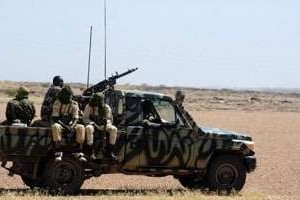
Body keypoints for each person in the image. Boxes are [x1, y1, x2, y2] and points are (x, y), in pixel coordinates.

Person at [51, 86, 86, 162]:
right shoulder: (57, 103)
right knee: (55, 127)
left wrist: (72, 127)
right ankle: (58, 151)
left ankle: (78, 151)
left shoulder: (74, 104)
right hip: (60, 123)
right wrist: (66, 127)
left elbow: (75, 118)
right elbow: (55, 118)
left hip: (71, 124)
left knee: (81, 128)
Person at [83, 92, 118, 161]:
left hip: (103, 126)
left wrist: (105, 125)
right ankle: (91, 152)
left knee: (114, 129)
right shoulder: (89, 106)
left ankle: (110, 152)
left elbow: (109, 119)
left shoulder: (106, 107)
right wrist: (93, 124)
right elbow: (85, 118)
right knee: (88, 128)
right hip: (92, 125)